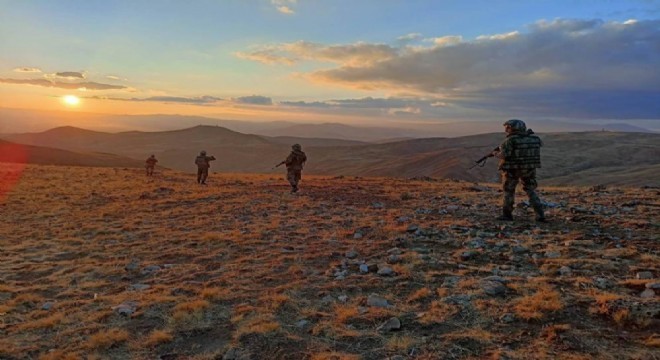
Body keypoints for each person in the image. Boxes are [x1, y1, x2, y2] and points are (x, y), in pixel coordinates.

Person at [492, 119, 546, 222]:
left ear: (512, 128)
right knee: (530, 190)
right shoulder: (535, 139)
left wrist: (495, 154)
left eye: (507, 127)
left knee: (509, 191)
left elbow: (504, 155)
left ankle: (507, 215)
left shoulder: (510, 140)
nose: (506, 129)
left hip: (512, 170)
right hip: (529, 168)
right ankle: (540, 215)